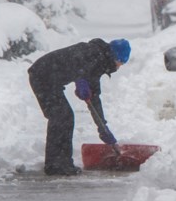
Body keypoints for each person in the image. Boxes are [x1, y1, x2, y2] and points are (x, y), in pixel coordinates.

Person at [27, 38, 130, 175]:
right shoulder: (93, 52)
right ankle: (55, 165)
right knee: (61, 117)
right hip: (42, 76)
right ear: (115, 56)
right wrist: (80, 79)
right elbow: (79, 60)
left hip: (51, 80)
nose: (119, 66)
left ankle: (62, 163)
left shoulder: (99, 62)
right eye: (121, 62)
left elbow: (94, 99)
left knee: (65, 117)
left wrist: (103, 129)